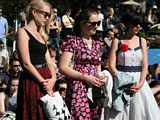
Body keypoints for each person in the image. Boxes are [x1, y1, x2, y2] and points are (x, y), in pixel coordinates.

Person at [105, 10, 160, 120]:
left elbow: (145, 66)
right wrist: (123, 81)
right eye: (135, 24)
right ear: (128, 24)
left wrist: (140, 84)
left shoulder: (142, 41)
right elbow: (111, 65)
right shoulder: (117, 40)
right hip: (121, 82)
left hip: (139, 82)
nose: (138, 27)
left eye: (139, 24)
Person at [59, 8, 106, 119]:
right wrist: (84, 77)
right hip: (78, 87)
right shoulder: (73, 41)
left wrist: (101, 78)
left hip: (95, 89)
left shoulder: (97, 44)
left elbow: (97, 68)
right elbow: (63, 67)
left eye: (98, 23)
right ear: (82, 23)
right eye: (93, 23)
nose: (96, 26)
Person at [16, 0, 56, 120]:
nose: (47, 18)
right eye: (45, 14)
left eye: (49, 15)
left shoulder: (41, 34)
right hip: (32, 79)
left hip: (47, 79)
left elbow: (49, 61)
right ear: (34, 12)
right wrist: (44, 83)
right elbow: (26, 63)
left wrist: (53, 79)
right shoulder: (23, 32)